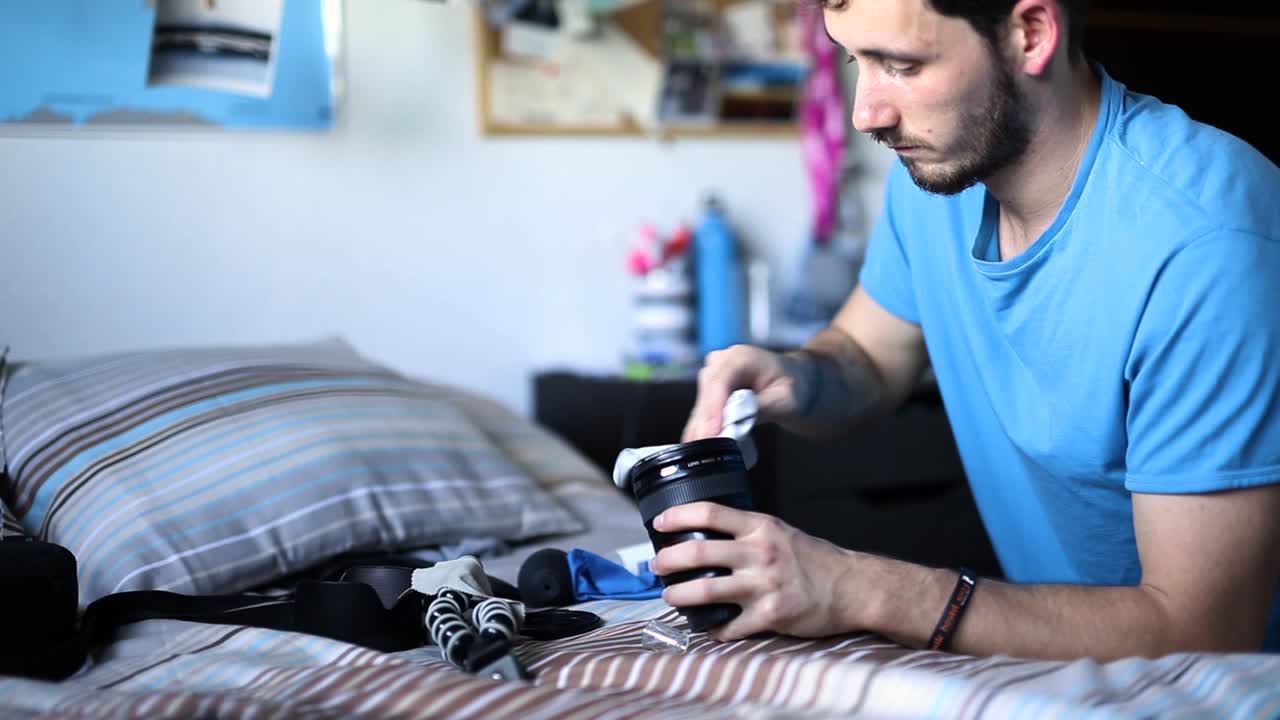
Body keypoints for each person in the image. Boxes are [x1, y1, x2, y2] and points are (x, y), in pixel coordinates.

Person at [649, 0, 1280, 660]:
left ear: (1030, 34)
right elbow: (865, 355)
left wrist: (856, 587)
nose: (867, 113)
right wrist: (796, 379)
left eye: (902, 65)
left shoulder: (1208, 244)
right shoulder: (937, 176)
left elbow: (1200, 634)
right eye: (853, 59)